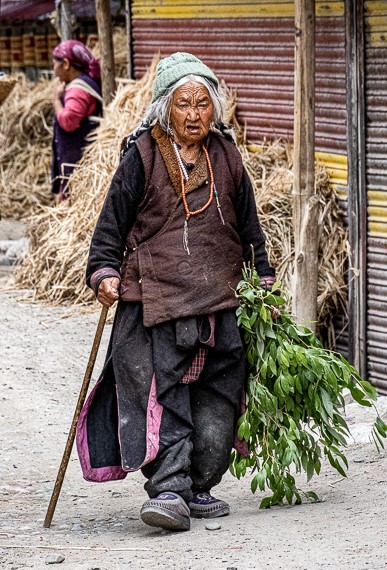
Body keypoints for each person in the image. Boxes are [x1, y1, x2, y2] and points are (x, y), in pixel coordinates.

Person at [76, 52, 276, 532]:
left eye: (203, 104)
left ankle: (198, 486)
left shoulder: (227, 155)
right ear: (166, 107)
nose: (194, 115)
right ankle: (168, 488)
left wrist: (263, 276)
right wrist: (104, 273)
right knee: (160, 397)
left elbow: (250, 226)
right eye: (184, 104)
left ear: (215, 108)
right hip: (155, 304)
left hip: (221, 303)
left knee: (220, 397)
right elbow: (109, 232)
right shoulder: (141, 156)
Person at [51, 40, 103, 201]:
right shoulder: (86, 83)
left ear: (66, 64)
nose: (54, 71)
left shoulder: (77, 90)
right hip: (81, 164)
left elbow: (69, 122)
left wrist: (56, 101)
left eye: (55, 64)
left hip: (78, 164)